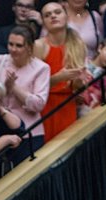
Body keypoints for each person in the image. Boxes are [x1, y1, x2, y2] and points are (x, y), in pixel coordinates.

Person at [0, 24, 49, 151]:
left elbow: (39, 104)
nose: (13, 49)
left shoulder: (41, 68)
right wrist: (4, 89)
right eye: (10, 44)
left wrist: (14, 87)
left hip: (28, 132)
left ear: (29, 47)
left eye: (19, 46)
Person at [35, 1, 89, 142]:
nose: (53, 16)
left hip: (68, 104)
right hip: (45, 107)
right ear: (43, 22)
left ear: (66, 16)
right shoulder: (39, 45)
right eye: (47, 15)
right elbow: (32, 86)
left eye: (57, 12)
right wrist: (58, 78)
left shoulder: (78, 44)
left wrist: (79, 81)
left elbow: (78, 88)